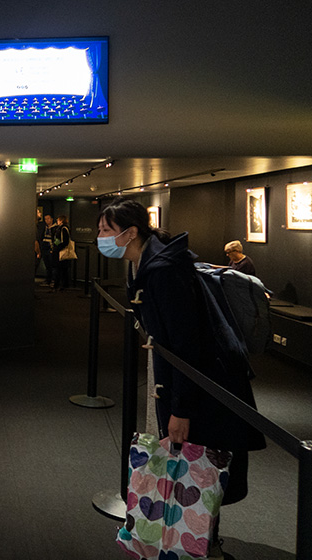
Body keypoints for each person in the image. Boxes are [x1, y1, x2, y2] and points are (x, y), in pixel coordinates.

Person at [96, 198, 265, 560]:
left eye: (106, 230)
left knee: (199, 462)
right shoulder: (148, 262)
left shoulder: (164, 270)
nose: (100, 237)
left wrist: (181, 409)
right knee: (191, 461)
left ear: (131, 232)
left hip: (207, 386)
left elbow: (188, 346)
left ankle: (201, 541)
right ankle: (192, 538)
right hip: (191, 382)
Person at [51, 215, 72, 291]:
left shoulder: (63, 229)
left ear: (61, 220)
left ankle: (58, 284)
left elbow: (64, 241)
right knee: (63, 269)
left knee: (59, 268)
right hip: (60, 250)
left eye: (58, 220)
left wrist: (57, 247)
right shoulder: (63, 228)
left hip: (60, 251)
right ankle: (64, 284)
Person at [39, 214, 56, 286]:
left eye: (48, 219)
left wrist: (53, 247)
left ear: (52, 219)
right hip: (45, 247)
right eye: (45, 219)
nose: (47, 220)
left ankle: (53, 279)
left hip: (51, 247)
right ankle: (48, 279)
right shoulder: (44, 227)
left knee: (52, 264)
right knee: (47, 264)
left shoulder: (55, 228)